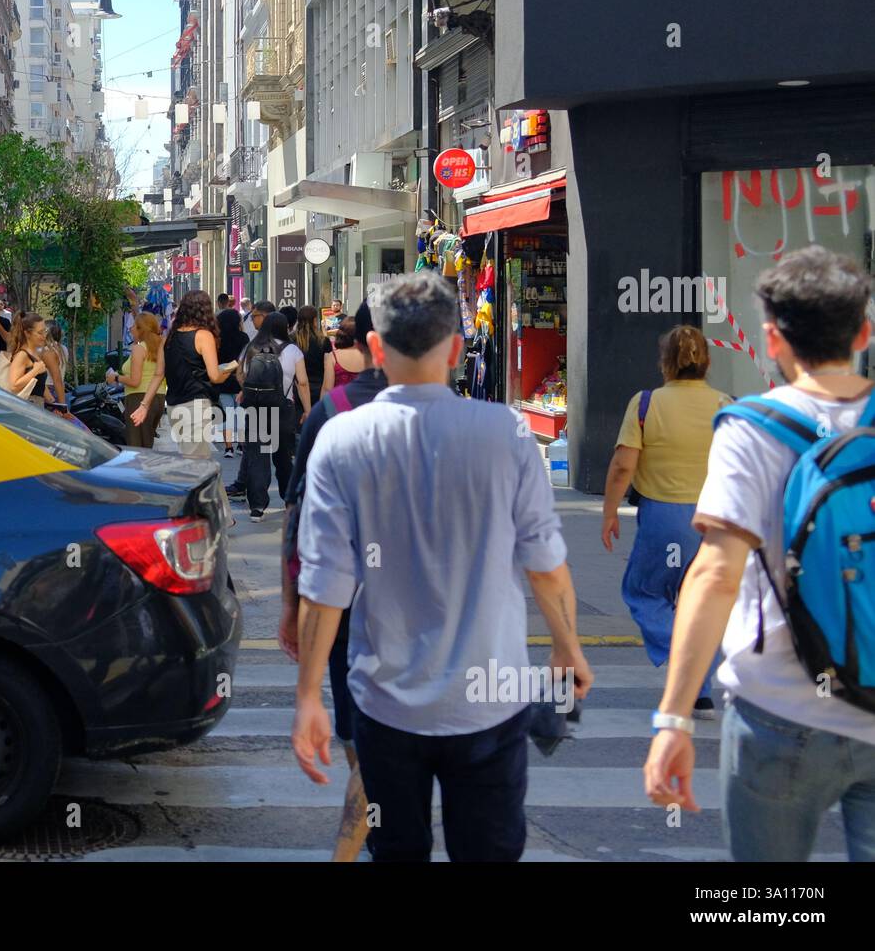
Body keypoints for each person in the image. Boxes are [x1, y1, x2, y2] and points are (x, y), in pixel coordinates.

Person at [291, 271, 593, 862]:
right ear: (457, 348)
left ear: (376, 350)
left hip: (385, 707)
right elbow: (546, 564)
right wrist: (567, 647)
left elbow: (325, 586)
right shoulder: (505, 432)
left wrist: (307, 697)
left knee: (397, 851)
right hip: (490, 704)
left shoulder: (341, 439)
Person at [645, 246, 875, 861]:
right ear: (864, 331)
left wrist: (674, 719)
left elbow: (717, 574)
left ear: (771, 340)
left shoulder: (751, 427)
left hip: (780, 709)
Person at [281, 299, 386, 861]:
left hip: (345, 604)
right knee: (373, 738)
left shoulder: (332, 412)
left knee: (360, 731)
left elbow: (297, 517)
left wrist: (290, 603)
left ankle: (370, 830)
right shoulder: (464, 420)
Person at [602, 326, 729, 717]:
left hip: (664, 517)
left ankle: (683, 654)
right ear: (706, 362)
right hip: (715, 519)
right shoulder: (727, 405)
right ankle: (700, 691)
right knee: (703, 603)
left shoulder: (645, 404)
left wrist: (609, 512)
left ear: (665, 363)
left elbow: (624, 464)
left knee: (645, 592)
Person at [130, 289, 237, 460]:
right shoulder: (204, 336)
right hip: (196, 406)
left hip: (174, 406)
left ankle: (212, 487)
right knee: (196, 464)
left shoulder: (168, 338)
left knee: (194, 459)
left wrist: (144, 405)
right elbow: (215, 376)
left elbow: (158, 375)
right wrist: (231, 369)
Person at [238, 310, 309, 522]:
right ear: (285, 327)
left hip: (257, 408)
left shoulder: (251, 347)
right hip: (283, 408)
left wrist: (250, 391)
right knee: (283, 457)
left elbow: (240, 373)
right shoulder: (293, 350)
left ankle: (257, 508)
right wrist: (307, 409)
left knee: (257, 457)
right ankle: (289, 501)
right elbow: (302, 382)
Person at [227, 300, 277, 497]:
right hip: (282, 404)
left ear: (265, 317)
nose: (252, 319)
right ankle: (244, 483)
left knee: (259, 451)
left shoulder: (255, 346)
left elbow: (240, 372)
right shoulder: (289, 345)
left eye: (255, 315)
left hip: (258, 404)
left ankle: (258, 498)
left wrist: (248, 389)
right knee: (265, 451)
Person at [114, 312, 167, 448]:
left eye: (133, 326)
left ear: (141, 329)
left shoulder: (139, 349)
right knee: (147, 444)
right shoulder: (162, 344)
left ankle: (140, 470)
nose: (130, 329)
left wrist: (116, 377)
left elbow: (135, 381)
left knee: (136, 447)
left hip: (139, 399)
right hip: (159, 398)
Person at [215, 308, 249, 458]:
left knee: (227, 415)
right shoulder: (243, 337)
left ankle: (229, 448)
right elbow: (246, 359)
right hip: (239, 380)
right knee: (240, 414)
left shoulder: (217, 338)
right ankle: (241, 445)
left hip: (222, 380)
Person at [4, 313, 52, 405]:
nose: (44, 336)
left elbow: (39, 384)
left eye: (45, 331)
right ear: (27, 334)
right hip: (26, 408)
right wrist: (35, 370)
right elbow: (13, 385)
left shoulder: (33, 353)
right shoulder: (22, 355)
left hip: (35, 406)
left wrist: (54, 404)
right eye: (40, 332)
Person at [293, 305, 332, 404]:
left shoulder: (291, 340)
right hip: (320, 389)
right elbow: (329, 368)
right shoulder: (324, 341)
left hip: (297, 390)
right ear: (315, 320)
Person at [325, 318, 363, 393]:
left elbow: (327, 388)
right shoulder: (369, 356)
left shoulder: (333, 356)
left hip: (340, 402)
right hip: (366, 402)